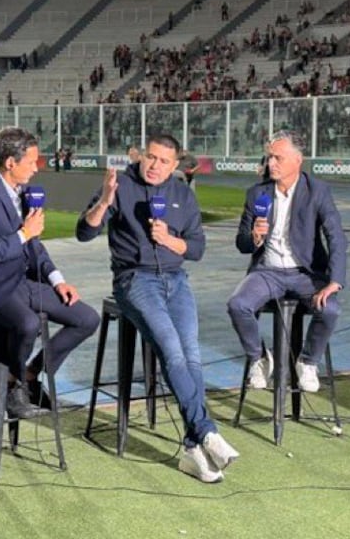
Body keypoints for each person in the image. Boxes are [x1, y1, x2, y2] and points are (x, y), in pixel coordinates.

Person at [77, 135, 239, 483]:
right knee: (172, 350)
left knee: (192, 356)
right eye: (150, 157)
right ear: (141, 155)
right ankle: (206, 431)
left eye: (163, 161)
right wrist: (105, 202)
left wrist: (169, 240)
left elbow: (196, 249)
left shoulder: (182, 194)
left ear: (175, 165)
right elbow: (84, 233)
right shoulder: (119, 185)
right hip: (133, 280)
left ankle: (193, 449)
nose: (154, 166)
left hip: (176, 280)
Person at [0, 127, 99, 418]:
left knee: (86, 318)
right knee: (28, 324)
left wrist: (57, 280)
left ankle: (30, 375)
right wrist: (22, 235)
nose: (36, 168)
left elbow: (35, 247)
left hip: (20, 282)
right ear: (10, 162)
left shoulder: (22, 194)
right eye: (31, 162)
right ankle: (12, 386)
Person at [226, 130, 346, 392]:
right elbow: (241, 244)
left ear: (297, 160)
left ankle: (308, 361)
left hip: (305, 274)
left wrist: (335, 281)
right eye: (270, 157)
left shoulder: (318, 191)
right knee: (238, 305)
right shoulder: (257, 193)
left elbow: (336, 236)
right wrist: (255, 237)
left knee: (330, 310)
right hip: (267, 271)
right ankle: (259, 358)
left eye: (278, 158)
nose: (271, 163)